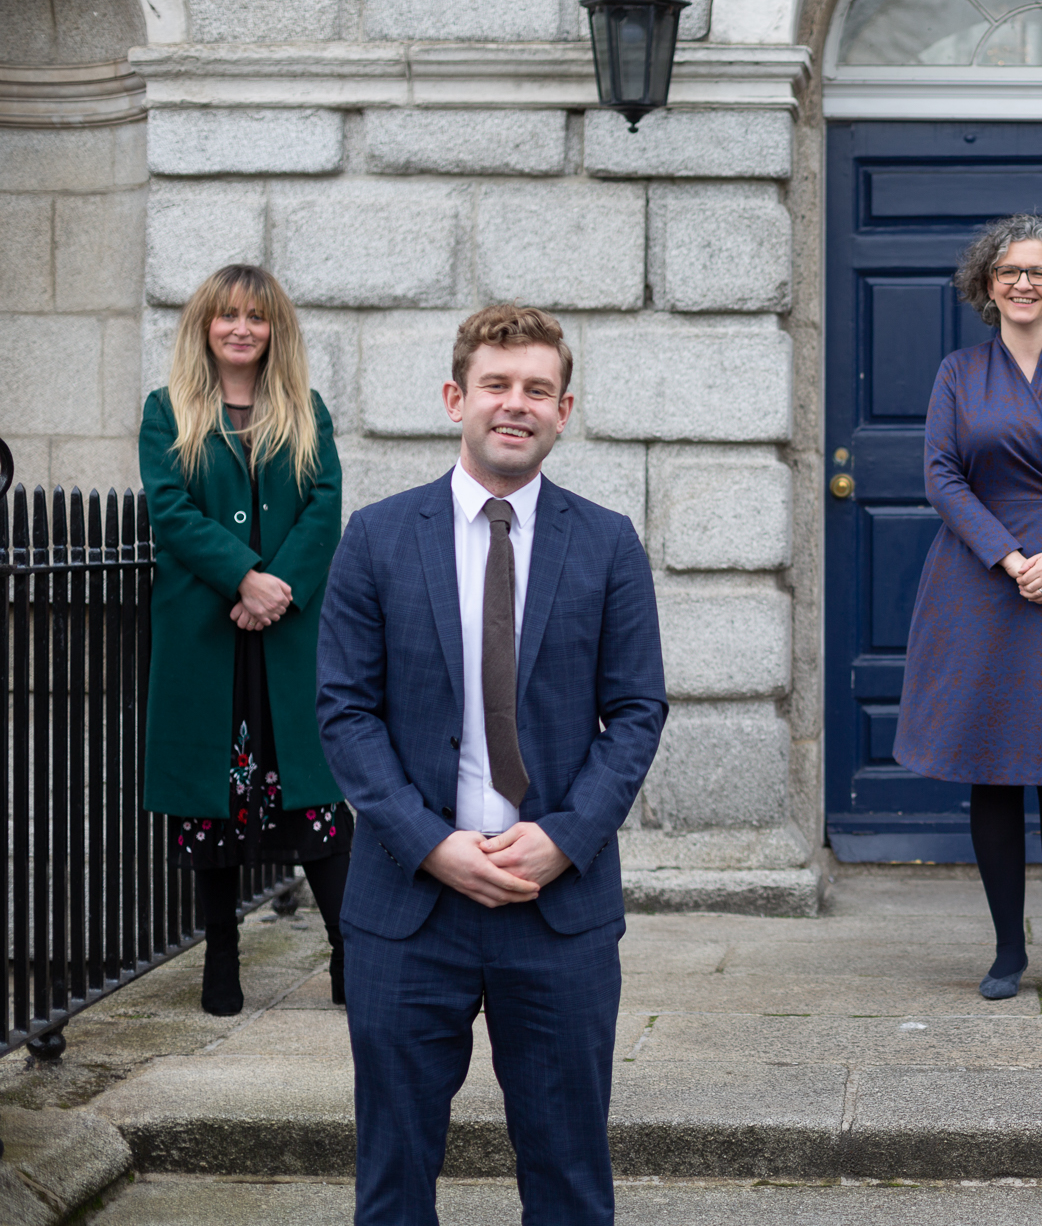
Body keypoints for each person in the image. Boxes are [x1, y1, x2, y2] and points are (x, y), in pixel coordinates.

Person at [317, 304, 667, 1225]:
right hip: (408, 908)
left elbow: (636, 711)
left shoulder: (607, 543)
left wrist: (566, 836)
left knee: (569, 1183)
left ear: (564, 409)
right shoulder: (378, 538)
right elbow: (344, 712)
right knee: (392, 1180)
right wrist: (430, 843)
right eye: (497, 386)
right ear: (454, 398)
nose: (516, 405)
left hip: (558, 910)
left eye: (537, 390)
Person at [893, 214, 1042, 1004]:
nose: (1023, 282)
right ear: (986, 285)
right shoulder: (958, 372)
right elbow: (942, 476)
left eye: (1039, 271)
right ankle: (1004, 951)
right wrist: (1010, 555)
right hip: (980, 581)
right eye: (1008, 270)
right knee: (991, 771)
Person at [138, 263, 346, 1018]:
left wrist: (275, 586)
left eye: (255, 317)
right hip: (206, 636)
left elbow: (325, 507)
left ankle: (348, 950)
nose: (240, 328)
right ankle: (220, 956)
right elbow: (171, 509)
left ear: (273, 330)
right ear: (206, 325)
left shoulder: (305, 409)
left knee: (316, 796)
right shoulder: (168, 411)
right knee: (215, 802)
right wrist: (241, 579)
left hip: (284, 634)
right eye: (227, 315)